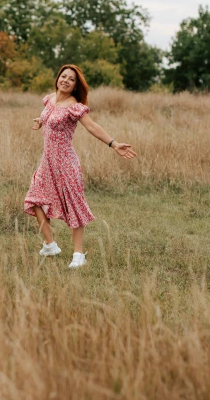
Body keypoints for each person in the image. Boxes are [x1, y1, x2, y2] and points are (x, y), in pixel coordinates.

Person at [24, 64, 137, 268]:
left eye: (71, 79)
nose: (66, 80)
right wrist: (41, 121)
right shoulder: (49, 99)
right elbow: (49, 115)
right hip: (47, 164)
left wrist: (113, 144)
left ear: (76, 85)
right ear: (58, 78)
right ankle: (50, 245)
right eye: (63, 76)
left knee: (74, 208)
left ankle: (78, 255)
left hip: (66, 164)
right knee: (34, 200)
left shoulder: (74, 106)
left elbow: (92, 126)